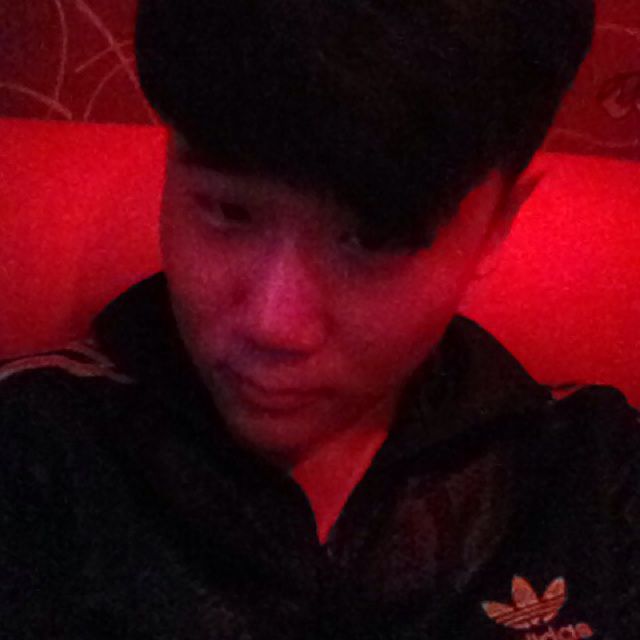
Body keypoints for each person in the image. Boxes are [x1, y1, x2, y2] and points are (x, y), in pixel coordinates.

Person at [1, 0, 638, 638]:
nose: (272, 326)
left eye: (375, 238)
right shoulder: (34, 448)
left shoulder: (597, 476)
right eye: (228, 211)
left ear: (499, 223)